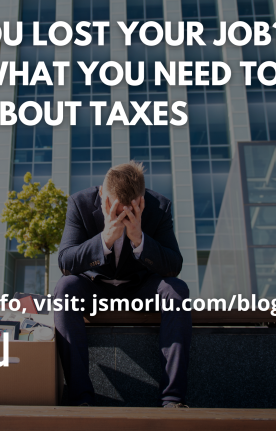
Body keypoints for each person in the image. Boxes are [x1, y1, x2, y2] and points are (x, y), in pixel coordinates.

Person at [55, 161, 191, 408]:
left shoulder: (159, 207)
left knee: (177, 290)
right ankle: (80, 398)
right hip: (95, 287)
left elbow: (174, 266)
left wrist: (140, 240)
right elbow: (65, 262)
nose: (121, 215)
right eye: (116, 209)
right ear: (103, 195)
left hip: (140, 287)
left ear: (141, 201)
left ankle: (173, 399)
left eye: (129, 210)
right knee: (65, 289)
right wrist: (104, 240)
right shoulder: (80, 203)